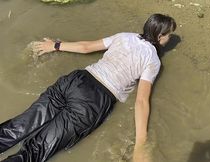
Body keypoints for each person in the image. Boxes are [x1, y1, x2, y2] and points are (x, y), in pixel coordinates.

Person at [0, 13, 176, 162]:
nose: (169, 39)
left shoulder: (125, 36)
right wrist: (140, 144)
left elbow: (86, 47)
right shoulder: (153, 60)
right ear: (161, 37)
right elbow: (141, 101)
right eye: (170, 35)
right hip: (93, 102)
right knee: (36, 150)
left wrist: (55, 45)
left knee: (19, 126)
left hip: (75, 80)